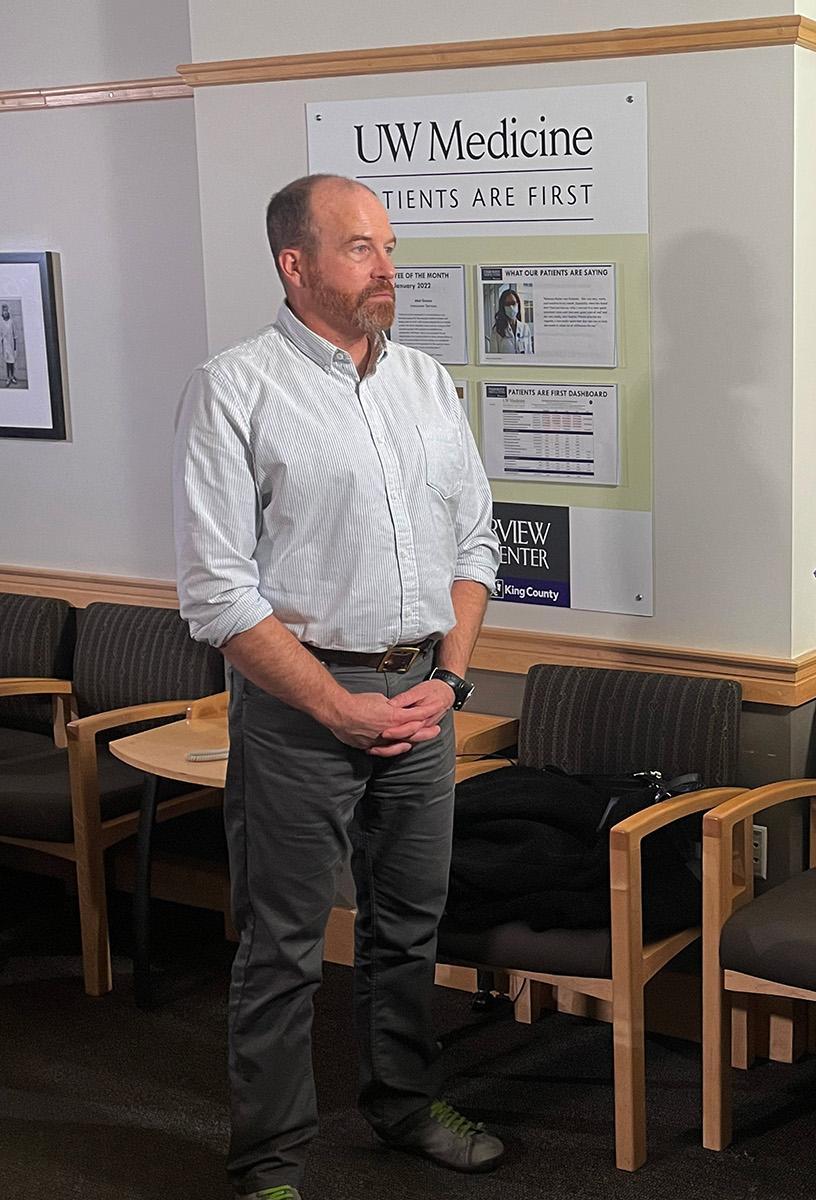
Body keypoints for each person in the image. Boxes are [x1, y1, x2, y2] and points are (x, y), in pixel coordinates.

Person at [174, 174, 502, 1200]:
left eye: (388, 247)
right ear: (296, 264)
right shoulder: (234, 387)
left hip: (422, 697)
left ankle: (401, 1104)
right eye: (361, 248)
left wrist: (449, 679)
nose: (387, 268)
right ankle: (270, 1163)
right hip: (300, 713)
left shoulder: (425, 382)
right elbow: (216, 594)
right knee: (282, 944)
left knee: (409, 925)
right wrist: (335, 705)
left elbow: (475, 544)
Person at [486, 285, 533, 355]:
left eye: (513, 303)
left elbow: (529, 353)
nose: (511, 307)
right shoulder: (497, 331)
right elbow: (494, 358)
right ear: (503, 307)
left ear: (518, 304)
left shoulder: (525, 328)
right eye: (507, 304)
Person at [1, 303, 17, 386]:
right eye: (4, 311)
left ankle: (12, 377)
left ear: (8, 312)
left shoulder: (11, 321)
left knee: (12, 361)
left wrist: (15, 348)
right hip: (5, 345)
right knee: (7, 362)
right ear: (2, 312)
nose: (5, 312)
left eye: (6, 311)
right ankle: (8, 378)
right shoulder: (1, 322)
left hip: (11, 344)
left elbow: (14, 335)